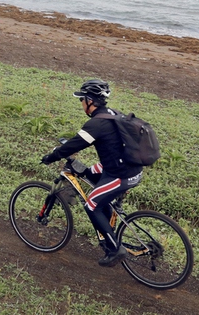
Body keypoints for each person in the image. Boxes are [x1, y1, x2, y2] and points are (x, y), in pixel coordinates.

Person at [41, 79, 143, 267]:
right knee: (89, 173)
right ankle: (107, 217)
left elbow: (75, 144)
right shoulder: (112, 114)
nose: (81, 104)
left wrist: (51, 157)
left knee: (91, 205)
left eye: (82, 100)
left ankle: (115, 249)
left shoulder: (96, 124)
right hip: (127, 167)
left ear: (90, 101)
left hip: (121, 174)